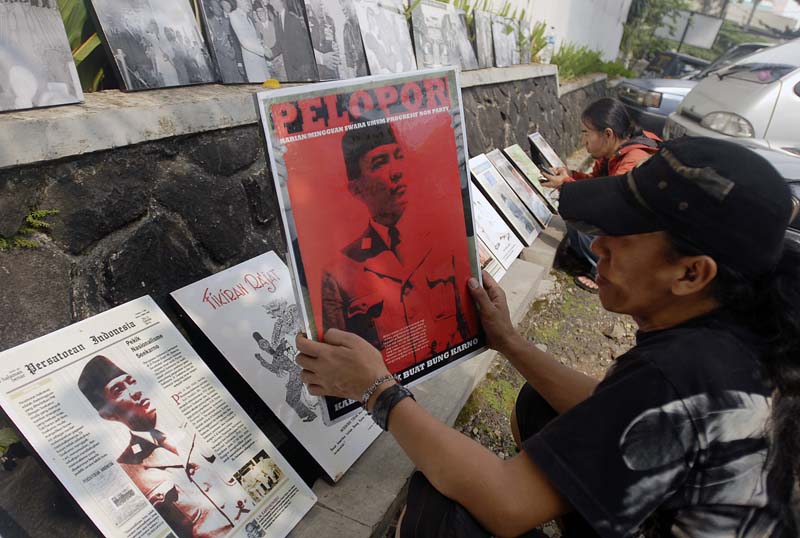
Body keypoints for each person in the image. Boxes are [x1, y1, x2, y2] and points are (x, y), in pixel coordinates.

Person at [296, 137, 799, 538]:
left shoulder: (684, 370)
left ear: (691, 274)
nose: (597, 245)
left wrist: (375, 390)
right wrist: (509, 341)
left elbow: (506, 503)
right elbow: (615, 408)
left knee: (437, 513)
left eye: (621, 236)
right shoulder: (744, 327)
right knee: (544, 404)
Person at [320, 121, 472, 371]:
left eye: (399, 157)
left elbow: (467, 324)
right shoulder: (339, 272)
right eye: (380, 163)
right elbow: (341, 366)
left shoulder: (443, 240)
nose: (397, 170)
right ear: (356, 189)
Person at [78, 355, 249, 538]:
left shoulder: (189, 425)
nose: (135, 391)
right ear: (107, 414)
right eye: (119, 390)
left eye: (131, 381)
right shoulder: (129, 469)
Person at [542, 97, 661, 293]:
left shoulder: (634, 160)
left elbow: (611, 206)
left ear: (607, 134)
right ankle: (596, 257)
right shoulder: (613, 152)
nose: (583, 141)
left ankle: (608, 272)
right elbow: (595, 183)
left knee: (580, 215)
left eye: (586, 133)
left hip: (639, 244)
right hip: (628, 233)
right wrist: (571, 176)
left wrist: (566, 185)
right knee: (573, 213)